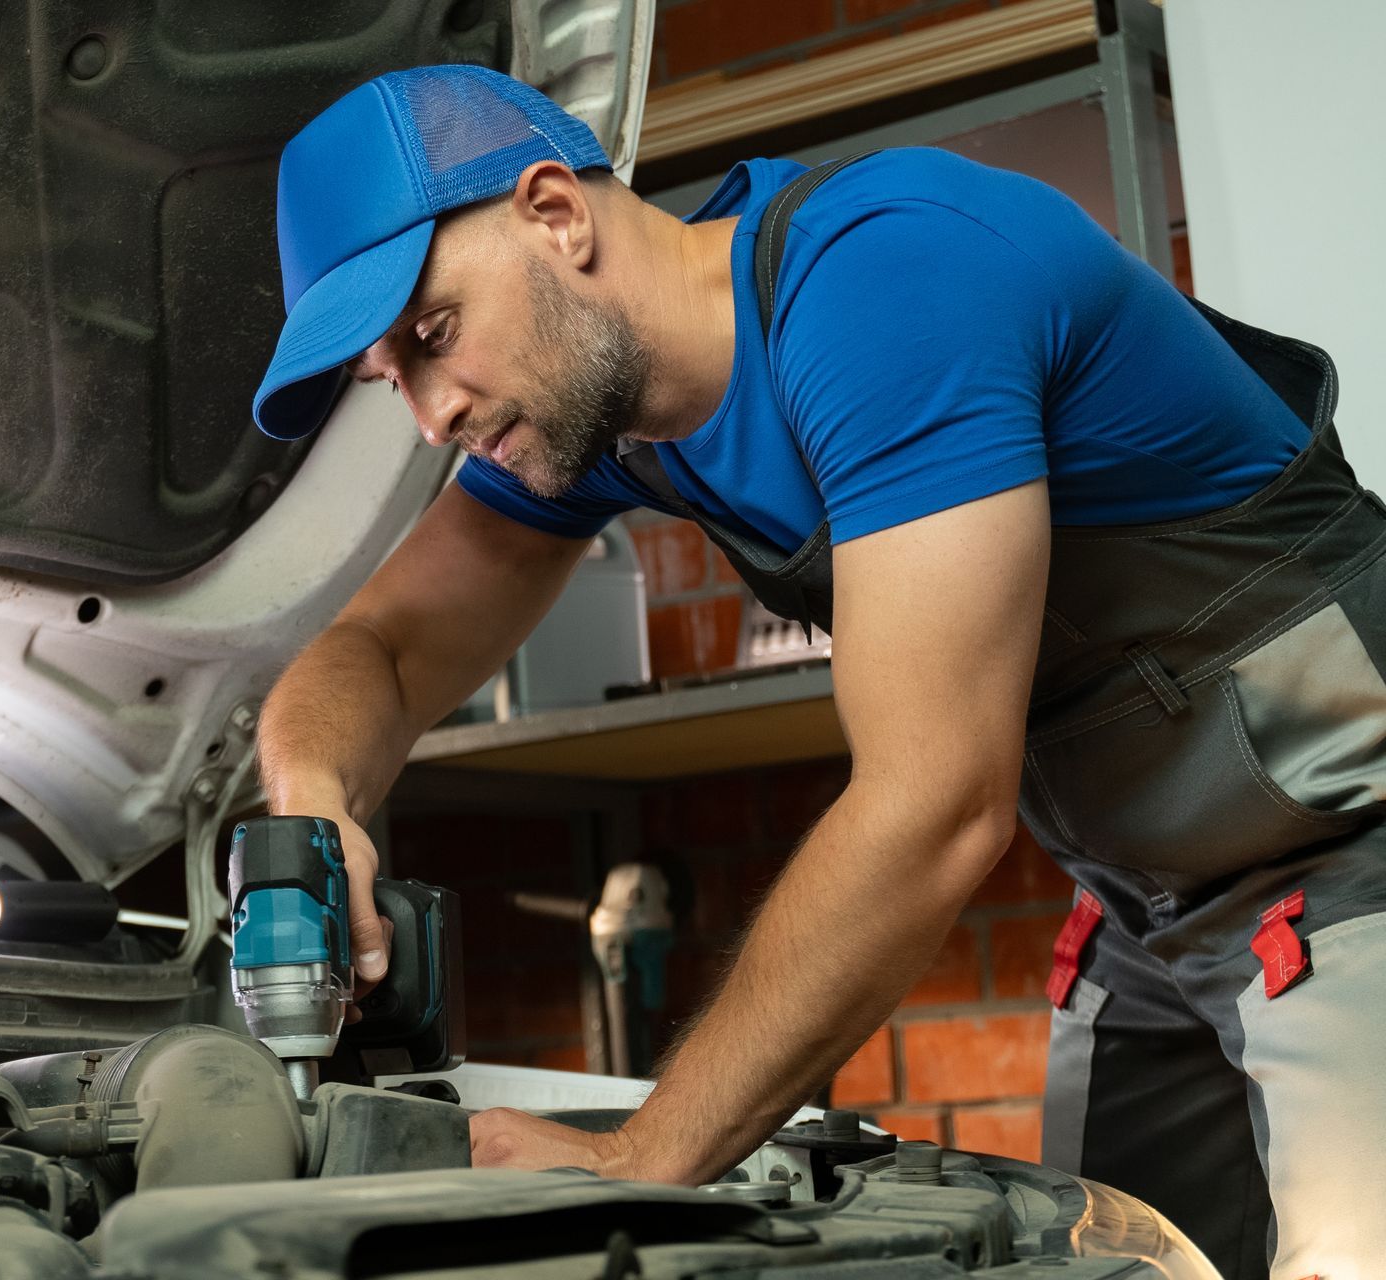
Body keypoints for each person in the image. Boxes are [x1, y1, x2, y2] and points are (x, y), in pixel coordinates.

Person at [249, 64, 1385, 1278]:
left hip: (1354, 848)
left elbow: (931, 806)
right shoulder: (615, 420)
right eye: (392, 377)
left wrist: (636, 1158)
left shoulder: (883, 282)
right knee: (1111, 1264)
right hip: (1149, 906)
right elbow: (381, 645)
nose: (431, 413)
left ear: (556, 214)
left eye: (433, 335)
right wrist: (313, 798)